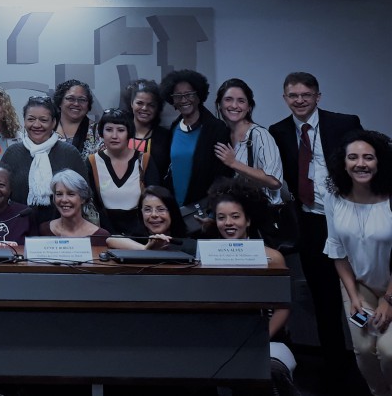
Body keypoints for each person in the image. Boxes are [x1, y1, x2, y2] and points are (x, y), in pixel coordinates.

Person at [269, 71, 363, 378]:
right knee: (324, 300)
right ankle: (337, 370)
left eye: (305, 95)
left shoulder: (344, 123)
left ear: (317, 97)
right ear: (285, 99)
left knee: (361, 294)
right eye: (292, 96)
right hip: (311, 223)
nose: (299, 101)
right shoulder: (278, 131)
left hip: (349, 219)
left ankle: (372, 362)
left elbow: (366, 163)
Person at [206, 178, 297, 394]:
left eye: (235, 217)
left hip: (266, 338)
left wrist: (261, 338)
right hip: (222, 340)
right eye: (222, 218)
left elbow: (283, 307)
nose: (228, 223)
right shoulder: (207, 257)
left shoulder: (272, 258)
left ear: (247, 221)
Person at [323, 130, 392, 395]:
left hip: (390, 286)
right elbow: (337, 251)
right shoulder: (334, 198)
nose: (360, 163)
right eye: (353, 157)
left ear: (380, 162)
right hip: (358, 284)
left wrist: (388, 299)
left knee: (388, 352)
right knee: (363, 351)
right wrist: (352, 296)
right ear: (344, 162)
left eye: (368, 157)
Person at [0, 96, 88, 226]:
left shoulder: (70, 153)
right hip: (17, 229)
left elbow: (85, 194)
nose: (36, 125)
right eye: (31, 119)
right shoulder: (12, 153)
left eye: (43, 120)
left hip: (62, 231)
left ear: (53, 123)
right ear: (24, 121)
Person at [160, 69, 231, 207]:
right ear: (172, 99)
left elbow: (223, 175)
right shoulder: (174, 128)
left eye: (189, 94)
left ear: (199, 95)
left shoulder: (216, 128)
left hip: (204, 210)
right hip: (176, 209)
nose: (184, 100)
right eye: (178, 96)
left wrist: (211, 210)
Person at [87, 109, 160, 235]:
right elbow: (91, 204)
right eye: (109, 129)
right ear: (101, 133)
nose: (114, 136)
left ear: (129, 133)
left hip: (141, 233)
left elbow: (155, 200)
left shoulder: (144, 159)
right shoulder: (92, 162)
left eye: (120, 130)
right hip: (104, 232)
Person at [213, 79, 284, 204]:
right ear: (220, 104)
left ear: (249, 107)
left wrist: (233, 163)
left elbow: (274, 182)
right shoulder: (221, 135)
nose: (234, 105)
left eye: (241, 101)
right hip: (236, 216)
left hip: (262, 215)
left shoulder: (260, 135)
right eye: (228, 99)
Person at [38, 169, 109, 246]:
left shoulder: (99, 236)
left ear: (83, 198)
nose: (64, 200)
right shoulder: (44, 230)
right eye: (59, 194)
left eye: (71, 194)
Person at [106, 185, 188, 251]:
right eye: (147, 210)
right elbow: (111, 239)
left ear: (172, 211)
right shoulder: (138, 238)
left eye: (161, 209)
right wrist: (145, 249)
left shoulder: (186, 240)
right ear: (141, 213)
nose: (154, 215)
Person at [124, 79, 172, 176]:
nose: (145, 108)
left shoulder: (166, 137)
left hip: (156, 190)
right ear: (131, 104)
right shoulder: (120, 133)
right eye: (140, 103)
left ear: (157, 108)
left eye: (151, 105)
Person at [53, 79, 102, 160]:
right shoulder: (45, 128)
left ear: (88, 104)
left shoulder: (98, 132)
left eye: (82, 100)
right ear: (60, 101)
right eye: (70, 98)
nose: (76, 104)